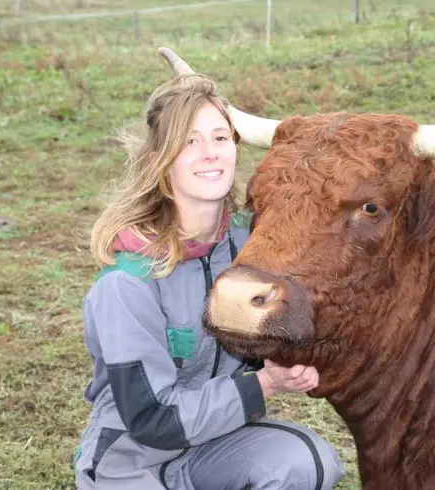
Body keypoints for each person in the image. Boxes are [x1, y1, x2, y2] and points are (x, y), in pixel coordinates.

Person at [73, 73, 345, 490]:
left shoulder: (250, 248)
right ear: (160, 159)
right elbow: (153, 420)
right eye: (189, 141)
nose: (209, 154)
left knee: (308, 463)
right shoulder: (126, 283)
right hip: (134, 457)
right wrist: (265, 383)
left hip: (219, 440)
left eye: (220, 138)